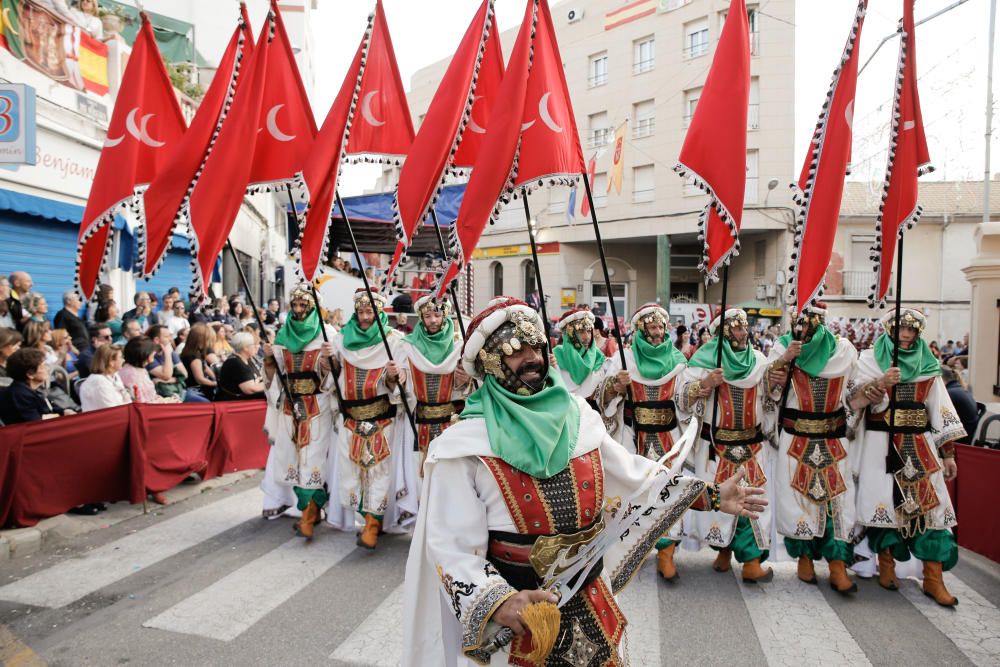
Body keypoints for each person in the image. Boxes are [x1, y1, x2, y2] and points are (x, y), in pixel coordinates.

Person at [402, 297, 766, 666]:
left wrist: (709, 495)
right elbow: (450, 546)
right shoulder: (463, 446)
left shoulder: (578, 417)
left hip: (594, 604)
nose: (532, 358)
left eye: (537, 345)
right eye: (515, 349)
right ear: (489, 362)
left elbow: (633, 476)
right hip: (520, 623)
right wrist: (497, 601)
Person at [852, 308, 965, 606]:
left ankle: (933, 579)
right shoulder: (869, 359)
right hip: (881, 444)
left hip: (921, 444)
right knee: (885, 507)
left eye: (912, 331)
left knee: (933, 511)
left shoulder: (928, 364)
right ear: (890, 330)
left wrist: (948, 454)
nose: (906, 335)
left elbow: (940, 409)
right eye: (901, 329)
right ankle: (886, 567)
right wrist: (879, 384)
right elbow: (853, 401)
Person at [765, 304, 860, 593]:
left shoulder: (843, 351)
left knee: (838, 503)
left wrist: (870, 393)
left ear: (819, 323)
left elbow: (853, 393)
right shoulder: (782, 348)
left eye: (807, 323)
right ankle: (804, 559)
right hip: (797, 439)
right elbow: (770, 395)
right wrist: (779, 369)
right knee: (799, 502)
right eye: (799, 323)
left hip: (834, 439)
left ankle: (837, 566)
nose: (802, 328)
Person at [599, 302, 693, 581]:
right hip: (633, 435)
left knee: (668, 489)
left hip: (667, 434)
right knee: (633, 494)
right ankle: (630, 552)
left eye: (661, 326)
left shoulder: (677, 359)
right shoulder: (624, 358)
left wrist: (700, 389)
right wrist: (616, 385)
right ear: (641, 329)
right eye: (652, 326)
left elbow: (684, 396)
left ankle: (666, 553)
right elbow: (603, 394)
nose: (658, 331)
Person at [680, 308, 774, 583]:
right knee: (720, 501)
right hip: (716, 447)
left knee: (751, 500)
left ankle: (752, 562)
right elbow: (682, 398)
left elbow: (771, 396)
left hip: (751, 444)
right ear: (723, 332)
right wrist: (704, 384)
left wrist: (776, 382)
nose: (743, 333)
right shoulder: (704, 360)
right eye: (736, 329)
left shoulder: (758, 360)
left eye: (744, 328)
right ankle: (723, 552)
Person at [260, 285, 347, 539]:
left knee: (313, 456)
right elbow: (274, 375)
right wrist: (268, 359)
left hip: (317, 404)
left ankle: (309, 515)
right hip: (289, 403)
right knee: (291, 457)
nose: (298, 310)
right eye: (295, 305)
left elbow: (339, 375)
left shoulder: (327, 333)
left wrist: (331, 363)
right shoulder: (282, 334)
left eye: (303, 306)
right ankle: (309, 507)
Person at [330, 288, 407, 549]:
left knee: (378, 471)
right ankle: (365, 520)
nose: (365, 317)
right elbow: (333, 378)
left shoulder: (394, 341)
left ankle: (374, 525)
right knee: (353, 471)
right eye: (361, 312)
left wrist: (395, 377)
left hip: (381, 419)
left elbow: (403, 385)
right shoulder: (341, 340)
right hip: (351, 418)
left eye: (370, 311)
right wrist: (326, 364)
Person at [397, 295, 470, 474]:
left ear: (445, 316)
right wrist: (398, 377)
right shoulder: (408, 346)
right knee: (417, 473)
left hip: (451, 422)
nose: (433, 320)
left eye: (437, 315)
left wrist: (466, 381)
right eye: (428, 316)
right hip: (418, 422)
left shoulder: (460, 346)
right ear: (421, 318)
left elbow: (472, 388)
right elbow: (402, 383)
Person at [550, 308, 608, 410]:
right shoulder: (554, 357)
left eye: (589, 331)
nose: (587, 337)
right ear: (571, 334)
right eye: (581, 332)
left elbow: (606, 396)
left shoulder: (600, 359)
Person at [0, 348, 77, 423]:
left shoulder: (31, 390)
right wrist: (58, 415)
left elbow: (48, 408)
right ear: (30, 374)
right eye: (43, 366)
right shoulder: (20, 394)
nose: (47, 369)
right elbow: (35, 422)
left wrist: (64, 411)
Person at [118, 337, 180, 404]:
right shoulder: (131, 375)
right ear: (143, 355)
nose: (152, 360)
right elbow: (142, 404)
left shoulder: (141, 369)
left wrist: (166, 400)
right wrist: (164, 401)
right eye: (152, 356)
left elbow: (150, 396)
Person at [79, 344, 131, 411]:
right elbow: (111, 410)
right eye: (121, 357)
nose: (123, 360)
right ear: (111, 362)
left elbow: (127, 400)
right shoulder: (98, 382)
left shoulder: (115, 375)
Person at [217, 332, 265, 400]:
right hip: (234, 404)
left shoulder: (246, 359)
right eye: (254, 344)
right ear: (245, 348)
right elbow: (250, 389)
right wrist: (271, 385)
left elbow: (257, 379)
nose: (258, 346)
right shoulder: (235, 363)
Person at [941, 364, 979, 444]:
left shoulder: (949, 394)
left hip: (959, 441)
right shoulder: (959, 390)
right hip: (965, 438)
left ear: (940, 379)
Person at [180, 323, 218, 400]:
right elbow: (200, 379)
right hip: (193, 390)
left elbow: (205, 367)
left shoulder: (194, 351)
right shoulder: (194, 356)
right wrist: (216, 383)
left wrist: (216, 378)